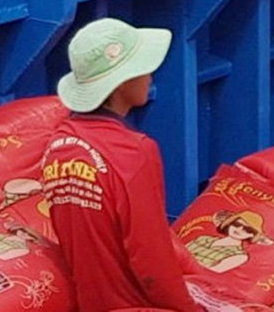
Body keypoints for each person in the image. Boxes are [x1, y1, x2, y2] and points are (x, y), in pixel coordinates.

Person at [40, 17, 197, 312]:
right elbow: (150, 259)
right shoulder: (134, 153)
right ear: (122, 83)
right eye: (143, 68)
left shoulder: (58, 147)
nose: (151, 76)